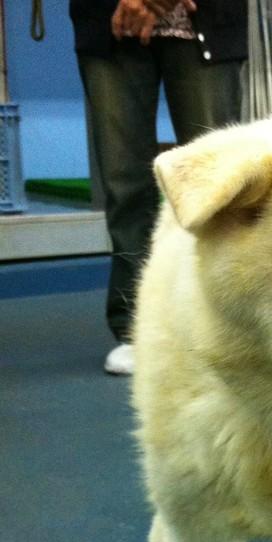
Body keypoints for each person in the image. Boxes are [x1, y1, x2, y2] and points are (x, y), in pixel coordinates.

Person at [69, 0, 248, 374]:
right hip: (111, 20)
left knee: (217, 185)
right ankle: (136, 328)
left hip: (204, 20)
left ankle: (222, 321)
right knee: (124, 185)